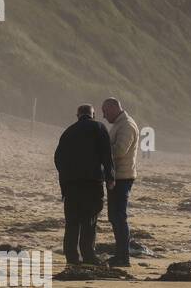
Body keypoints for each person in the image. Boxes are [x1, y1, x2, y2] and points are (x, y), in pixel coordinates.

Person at [53, 104, 115, 265]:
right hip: (92, 183)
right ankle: (88, 255)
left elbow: (58, 158)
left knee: (72, 222)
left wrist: (65, 178)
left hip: (71, 185)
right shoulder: (99, 127)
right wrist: (110, 177)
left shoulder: (68, 131)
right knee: (89, 220)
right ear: (92, 114)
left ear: (78, 115)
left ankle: (72, 257)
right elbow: (106, 154)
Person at [101, 97, 139, 268]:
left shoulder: (127, 125)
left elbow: (120, 151)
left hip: (123, 177)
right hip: (118, 175)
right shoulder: (119, 124)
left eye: (106, 112)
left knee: (119, 217)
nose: (104, 116)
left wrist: (100, 152)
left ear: (115, 108)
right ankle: (120, 254)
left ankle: (123, 256)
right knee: (115, 216)